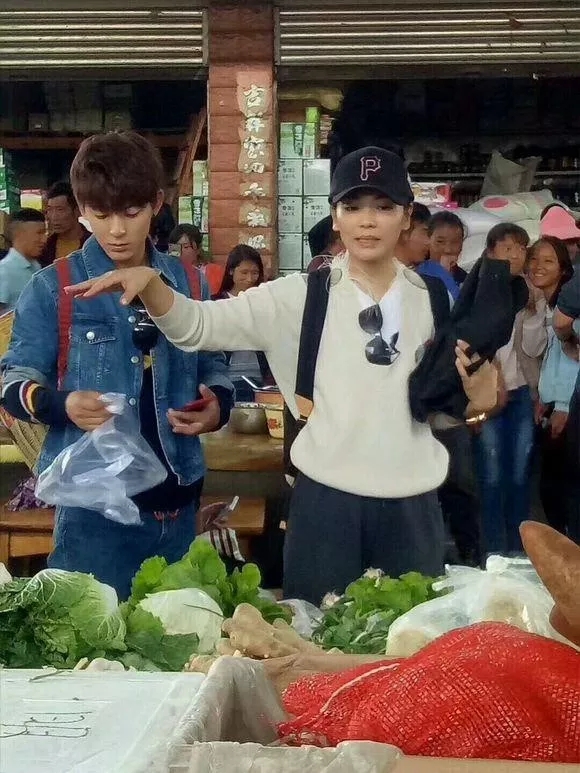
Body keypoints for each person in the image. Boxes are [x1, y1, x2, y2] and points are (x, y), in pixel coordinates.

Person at [64, 146, 499, 606]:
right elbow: (198, 326)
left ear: (407, 216)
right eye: (353, 207)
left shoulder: (434, 300)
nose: (368, 222)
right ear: (335, 217)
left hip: (414, 508)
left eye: (384, 207)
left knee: (407, 641)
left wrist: (480, 401)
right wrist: (152, 286)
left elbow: (450, 410)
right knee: (315, 638)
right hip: (325, 508)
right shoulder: (297, 297)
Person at [0, 131, 234, 599]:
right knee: (89, 638)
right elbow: (13, 383)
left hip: (179, 507)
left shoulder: (190, 283)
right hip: (92, 517)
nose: (117, 230)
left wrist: (218, 406)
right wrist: (62, 405)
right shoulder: (53, 287)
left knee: (176, 636)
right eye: (101, 215)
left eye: (131, 212)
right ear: (82, 212)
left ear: (156, 203)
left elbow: (214, 365)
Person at [472, 224, 547, 556]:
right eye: (507, 248)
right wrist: (493, 380)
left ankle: (519, 553)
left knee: (518, 477)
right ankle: (493, 553)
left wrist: (532, 313)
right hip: (489, 395)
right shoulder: (478, 289)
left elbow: (534, 348)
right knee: (490, 477)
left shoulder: (530, 293)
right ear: (491, 252)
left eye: (521, 248)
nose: (516, 255)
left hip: (521, 395)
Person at [528, 236, 580, 542]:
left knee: (561, 489)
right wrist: (543, 397)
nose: (538, 266)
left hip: (569, 407)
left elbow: (574, 357)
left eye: (548, 261)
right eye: (534, 259)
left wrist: (562, 405)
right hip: (553, 403)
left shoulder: (568, 302)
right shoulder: (544, 303)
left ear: (563, 268)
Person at [212, 244, 272, 401]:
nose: (250, 279)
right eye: (244, 272)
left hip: (259, 378)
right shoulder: (217, 303)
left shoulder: (264, 303)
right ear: (231, 271)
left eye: (255, 273)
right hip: (225, 377)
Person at [0, 209, 46, 313]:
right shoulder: (3, 272)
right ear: (20, 234)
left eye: (44, 233)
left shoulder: (37, 267)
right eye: (39, 233)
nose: (44, 239)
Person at [417, 211, 466, 301]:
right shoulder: (418, 276)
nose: (448, 250)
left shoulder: (466, 278)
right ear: (428, 240)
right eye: (440, 242)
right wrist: (443, 272)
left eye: (455, 242)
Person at [40, 181, 90, 267]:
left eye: (60, 209)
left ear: (77, 211)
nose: (54, 217)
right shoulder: (45, 247)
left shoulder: (94, 244)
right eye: (49, 210)